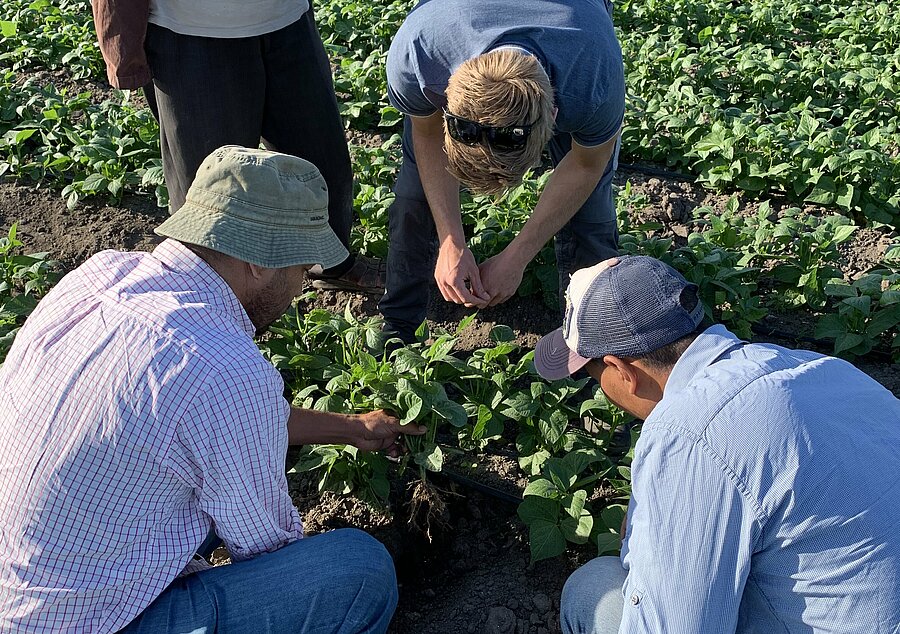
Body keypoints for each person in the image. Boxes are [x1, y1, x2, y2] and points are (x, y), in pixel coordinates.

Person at [0, 147, 424, 633]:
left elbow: (222, 418)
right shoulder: (223, 367)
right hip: (89, 621)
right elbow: (265, 549)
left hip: (20, 584)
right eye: (301, 270)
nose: (301, 287)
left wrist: (350, 428)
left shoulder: (98, 277)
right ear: (260, 264)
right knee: (356, 572)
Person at [534, 255, 900, 633]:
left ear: (622, 372)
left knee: (592, 591)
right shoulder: (822, 368)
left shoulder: (689, 432)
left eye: (596, 377)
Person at [90, 0, 385, 294]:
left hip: (288, 19)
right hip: (192, 31)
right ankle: (209, 299)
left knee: (321, 160)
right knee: (210, 188)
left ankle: (329, 264)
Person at [379, 0, 625, 342]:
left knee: (589, 215)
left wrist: (518, 255)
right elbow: (427, 133)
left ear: (554, 115)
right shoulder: (420, 53)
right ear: (445, 99)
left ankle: (593, 341)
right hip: (448, 22)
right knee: (415, 193)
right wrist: (451, 240)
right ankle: (398, 330)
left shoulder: (592, 76)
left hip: (575, 23)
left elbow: (586, 164)